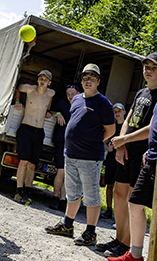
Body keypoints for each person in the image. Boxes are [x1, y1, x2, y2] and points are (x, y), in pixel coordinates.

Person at [97, 53, 157, 258]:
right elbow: (127, 118)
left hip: (141, 153)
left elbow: (152, 127)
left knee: (132, 200)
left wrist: (125, 141)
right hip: (125, 151)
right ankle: (119, 239)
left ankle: (128, 245)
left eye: (153, 67)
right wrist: (121, 143)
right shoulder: (141, 92)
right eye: (145, 66)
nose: (148, 70)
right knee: (118, 195)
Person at [45, 63, 115, 246]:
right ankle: (67, 225)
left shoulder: (103, 103)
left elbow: (111, 130)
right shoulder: (76, 99)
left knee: (91, 196)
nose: (88, 81)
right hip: (71, 154)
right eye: (85, 78)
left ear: (98, 81)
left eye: (92, 78)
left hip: (90, 157)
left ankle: (90, 233)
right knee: (73, 193)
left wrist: (93, 140)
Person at [14, 70, 55, 204]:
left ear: (49, 83)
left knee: (32, 164)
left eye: (45, 79)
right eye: (40, 78)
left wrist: (49, 112)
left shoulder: (51, 93)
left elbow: (48, 106)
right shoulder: (30, 89)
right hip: (26, 128)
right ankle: (19, 191)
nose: (42, 81)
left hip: (39, 131)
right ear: (37, 80)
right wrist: (18, 101)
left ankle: (28, 190)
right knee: (24, 161)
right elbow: (17, 88)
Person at [49, 84, 81, 211]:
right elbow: (49, 111)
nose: (70, 96)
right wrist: (58, 114)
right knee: (61, 170)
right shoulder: (62, 104)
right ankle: (54, 197)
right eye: (68, 94)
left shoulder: (82, 107)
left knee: (68, 173)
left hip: (74, 144)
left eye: (72, 93)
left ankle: (63, 200)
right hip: (60, 141)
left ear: (78, 93)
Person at [100, 102, 126, 219]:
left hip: (122, 161)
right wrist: (107, 148)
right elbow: (103, 141)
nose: (117, 113)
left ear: (124, 112)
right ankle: (109, 209)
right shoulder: (112, 127)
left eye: (119, 111)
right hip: (111, 160)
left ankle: (118, 212)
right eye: (115, 111)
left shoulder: (127, 127)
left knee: (119, 188)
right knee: (109, 185)